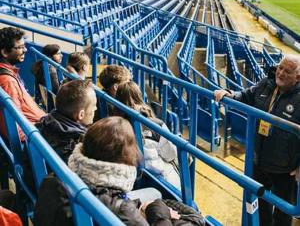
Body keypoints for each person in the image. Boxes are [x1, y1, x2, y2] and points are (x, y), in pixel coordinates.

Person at [68, 117, 204, 226]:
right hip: (151, 215)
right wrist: (159, 214)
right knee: (192, 216)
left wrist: (140, 209)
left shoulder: (63, 176)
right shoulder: (123, 211)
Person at [214, 54, 300, 226]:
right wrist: (229, 94)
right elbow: (246, 95)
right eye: (280, 67)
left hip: (285, 168)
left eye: (287, 71)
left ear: (298, 77)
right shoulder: (266, 84)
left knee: (283, 213)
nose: (280, 73)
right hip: (258, 159)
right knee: (259, 205)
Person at [114, 81, 181, 190]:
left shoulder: (115, 126)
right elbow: (170, 155)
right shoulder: (156, 125)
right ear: (140, 99)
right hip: (159, 180)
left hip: (131, 181)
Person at [0, 27, 45, 141]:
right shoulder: (7, 81)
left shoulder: (10, 74)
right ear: (5, 52)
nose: (25, 50)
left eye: (24, 46)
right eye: (20, 47)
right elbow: (14, 129)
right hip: (35, 138)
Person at [36, 79, 97, 162]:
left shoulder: (45, 122)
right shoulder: (78, 145)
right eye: (94, 105)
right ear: (81, 115)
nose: (96, 108)